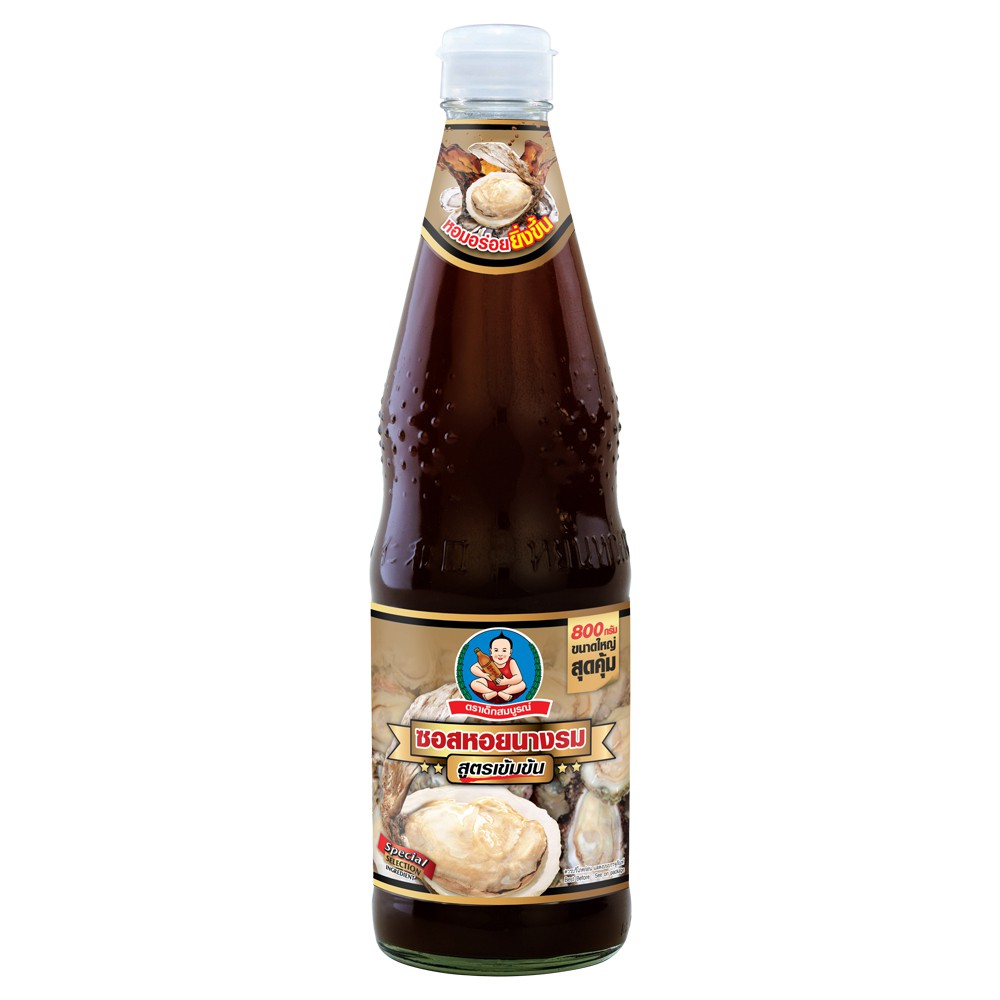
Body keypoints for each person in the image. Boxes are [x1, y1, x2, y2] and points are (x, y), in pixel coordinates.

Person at [470, 632, 527, 702]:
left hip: (507, 685)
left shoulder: (511, 662)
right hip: (489, 683)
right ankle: (489, 692)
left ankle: (504, 693)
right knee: (474, 683)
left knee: (522, 684)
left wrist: (507, 681)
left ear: (510, 652)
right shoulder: (487, 660)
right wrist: (484, 675)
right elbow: (473, 668)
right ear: (491, 652)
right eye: (496, 650)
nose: (500, 654)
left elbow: (518, 677)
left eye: (504, 650)